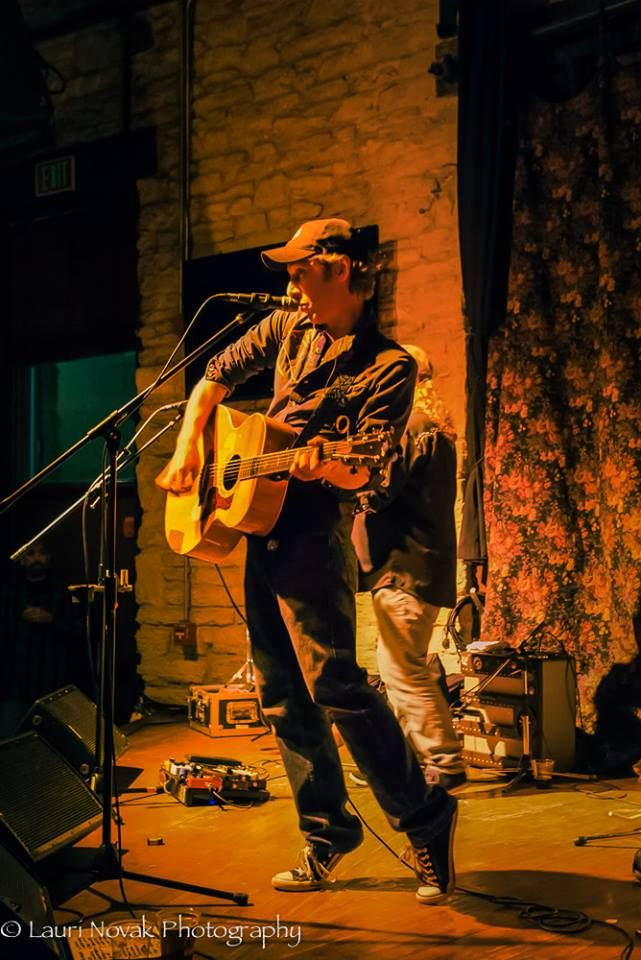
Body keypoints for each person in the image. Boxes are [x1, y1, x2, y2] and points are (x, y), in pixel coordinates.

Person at [157, 218, 458, 904]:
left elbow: (368, 470)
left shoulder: (389, 366)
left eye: (301, 271)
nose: (291, 285)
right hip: (259, 527)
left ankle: (425, 815)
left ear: (343, 269)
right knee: (280, 696)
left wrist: (329, 466)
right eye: (288, 273)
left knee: (336, 686)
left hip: (313, 537)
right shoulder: (289, 328)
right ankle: (327, 834)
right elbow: (213, 376)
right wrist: (190, 448)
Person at [352, 345, 465, 791]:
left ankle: (444, 760)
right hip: (420, 569)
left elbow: (379, 492)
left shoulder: (410, 429)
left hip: (404, 569)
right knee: (397, 665)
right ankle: (401, 763)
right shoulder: (434, 430)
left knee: (404, 671)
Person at [0, 539, 81, 739]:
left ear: (49, 557)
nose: (37, 558)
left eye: (41, 553)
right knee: (10, 740)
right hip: (16, 683)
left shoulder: (63, 591)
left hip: (51, 682)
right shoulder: (10, 592)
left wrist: (50, 619)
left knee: (53, 742)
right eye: (30, 553)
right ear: (21, 559)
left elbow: (78, 630)